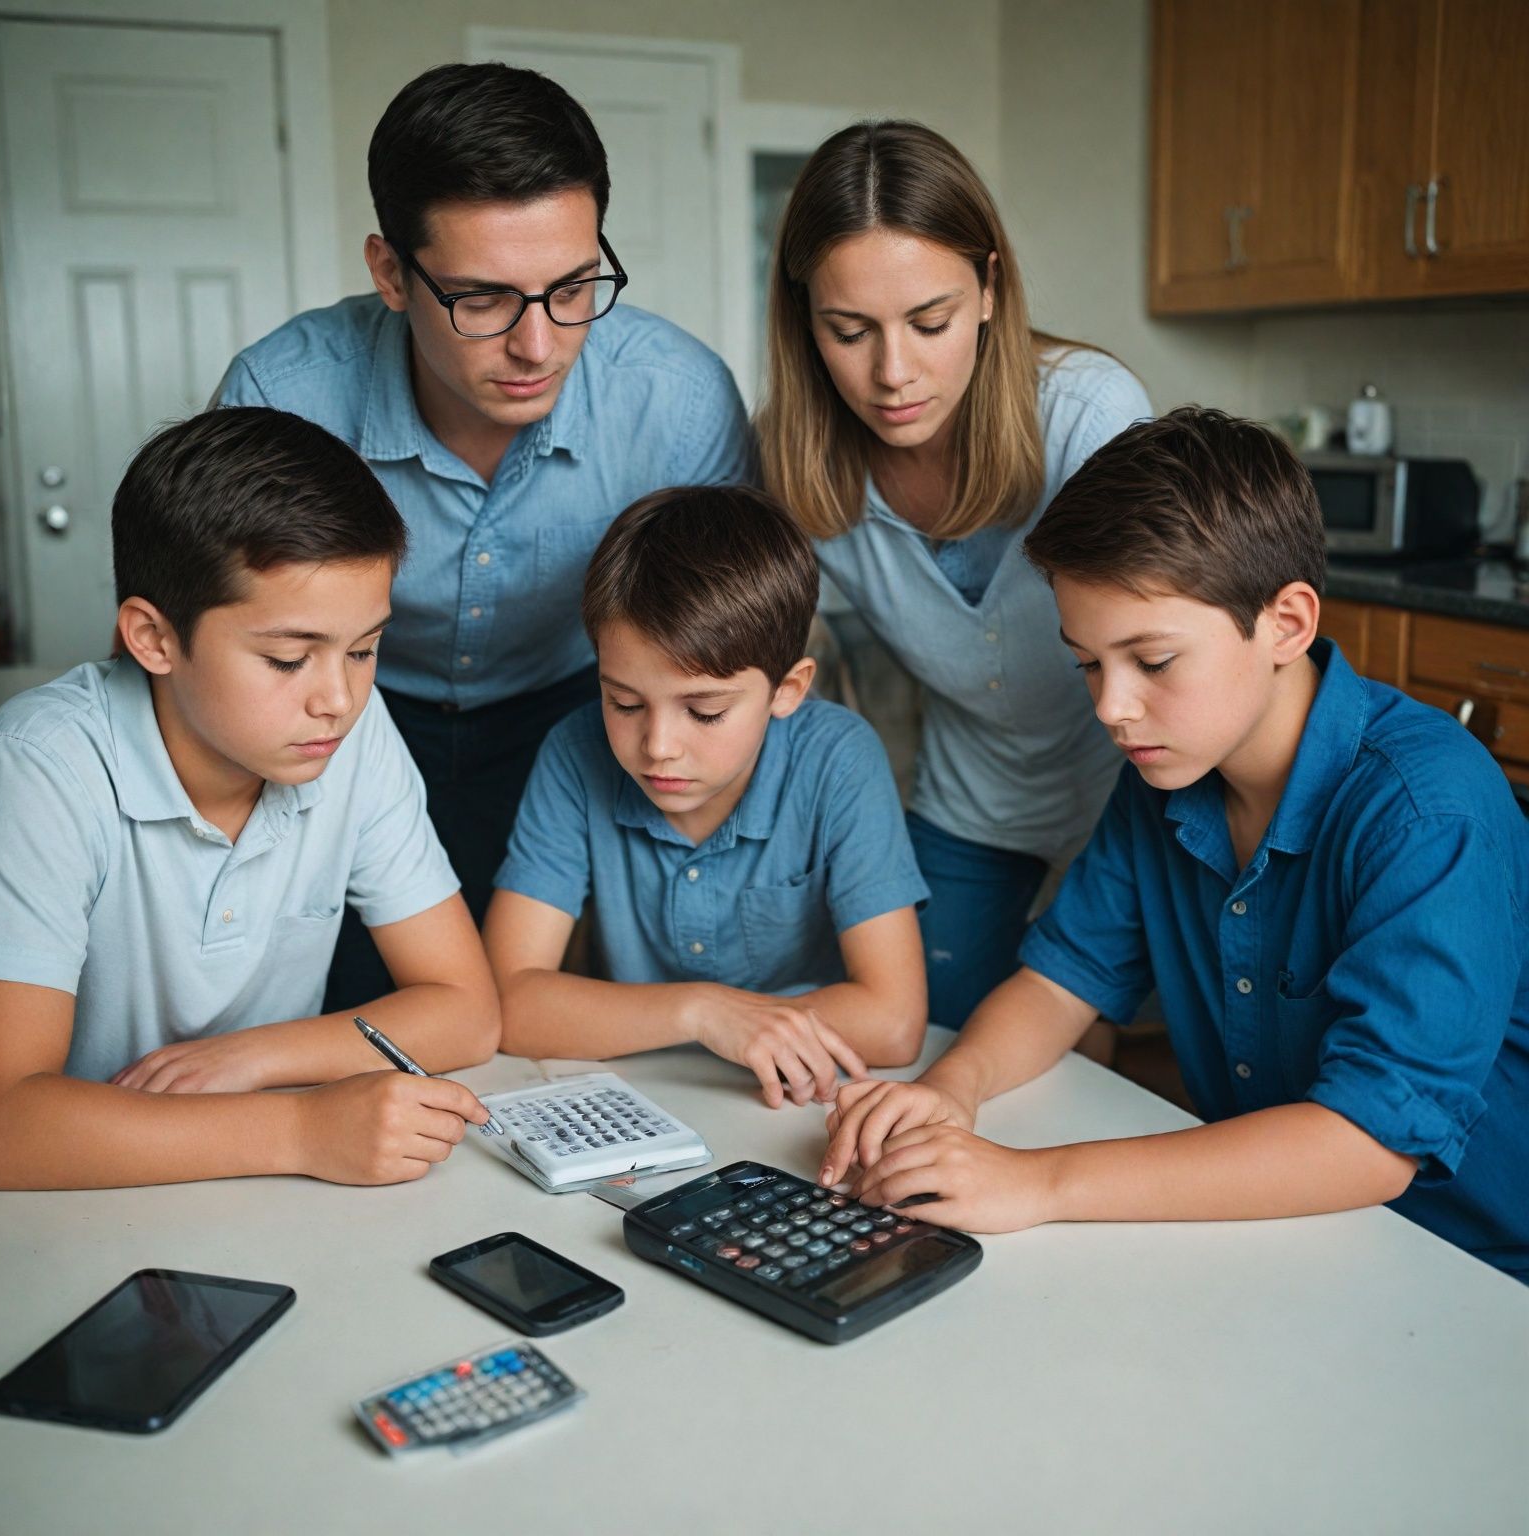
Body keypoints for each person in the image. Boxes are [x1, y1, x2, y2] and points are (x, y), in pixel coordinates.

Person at [818, 407, 1529, 1283]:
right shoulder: (1168, 770)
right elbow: (1057, 983)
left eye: (1152, 662)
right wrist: (949, 1091)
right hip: (1275, 1225)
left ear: (1287, 623)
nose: (1111, 708)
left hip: (1467, 1266)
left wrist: (1040, 1180)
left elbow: (1368, 1148)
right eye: (1089, 663)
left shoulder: (1427, 809)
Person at [216, 62, 752, 1007]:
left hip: (573, 714)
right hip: (342, 719)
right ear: (390, 272)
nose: (538, 345)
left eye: (575, 286)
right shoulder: (283, 394)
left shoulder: (677, 400)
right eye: (483, 299)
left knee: (544, 1016)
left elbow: (731, 643)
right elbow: (200, 650)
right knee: (344, 1002)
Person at [0, 408, 500, 1189]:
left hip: (258, 1198)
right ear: (154, 639)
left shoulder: (351, 739)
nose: (338, 698)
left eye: (364, 650)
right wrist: (301, 1129)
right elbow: (5, 1121)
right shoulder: (43, 765)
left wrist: (255, 1056)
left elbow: (467, 1010)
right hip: (82, 1203)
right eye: (289, 659)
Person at [757, 120, 1152, 1029]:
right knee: (936, 1034)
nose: (894, 374)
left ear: (988, 287)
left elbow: (1166, 633)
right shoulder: (791, 458)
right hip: (975, 794)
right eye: (849, 331)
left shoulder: (1087, 415)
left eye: (928, 322)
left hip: (1135, 783)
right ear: (804, 320)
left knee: (1138, 1053)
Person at [484, 485, 930, 1108]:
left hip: (800, 1103)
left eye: (705, 711)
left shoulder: (837, 758)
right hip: (637, 1099)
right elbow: (505, 1005)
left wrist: (718, 1024)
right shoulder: (572, 750)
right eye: (625, 702)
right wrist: (703, 1013)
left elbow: (893, 1022)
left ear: (788, 689)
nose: (658, 746)